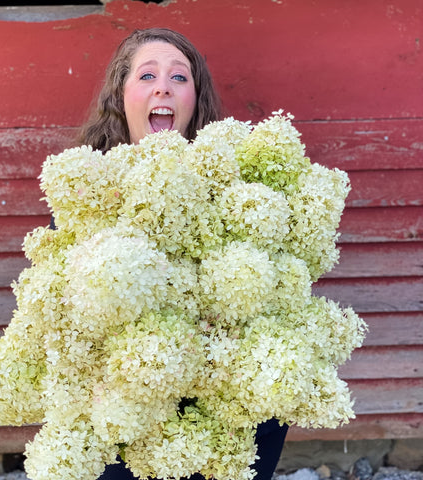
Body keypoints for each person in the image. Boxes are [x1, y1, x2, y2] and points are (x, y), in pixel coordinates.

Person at [75, 27, 288, 480]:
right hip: (129, 414)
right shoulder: (84, 191)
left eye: (179, 77)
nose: (162, 87)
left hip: (226, 411)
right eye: (147, 75)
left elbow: (283, 294)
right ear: (121, 94)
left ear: (195, 99)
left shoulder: (237, 185)